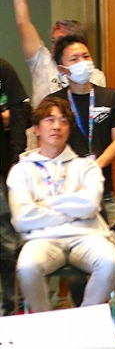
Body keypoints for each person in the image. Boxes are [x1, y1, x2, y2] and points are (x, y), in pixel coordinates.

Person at [7, 97, 115, 313]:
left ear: (69, 129)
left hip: (87, 236)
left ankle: (84, 321)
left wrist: (43, 204)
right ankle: (47, 325)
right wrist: (73, 210)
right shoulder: (21, 170)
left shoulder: (86, 166)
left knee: (110, 261)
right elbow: (22, 218)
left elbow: (90, 205)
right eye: (50, 120)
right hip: (42, 239)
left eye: (63, 121)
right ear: (37, 129)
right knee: (27, 267)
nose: (57, 126)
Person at [49, 34, 115, 225]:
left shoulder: (111, 97)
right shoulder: (54, 103)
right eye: (74, 59)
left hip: (104, 191)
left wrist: (95, 166)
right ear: (62, 69)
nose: (82, 62)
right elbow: (50, 146)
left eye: (86, 56)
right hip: (68, 193)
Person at [5, 0, 106, 108]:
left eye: (62, 40)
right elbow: (23, 22)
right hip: (43, 122)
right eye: (53, 41)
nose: (56, 45)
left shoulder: (95, 75)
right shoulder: (43, 61)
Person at [0, 59, 30, 315]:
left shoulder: (2, 69)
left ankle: (13, 309)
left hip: (4, 168)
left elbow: (21, 112)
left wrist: (16, 157)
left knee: (9, 245)